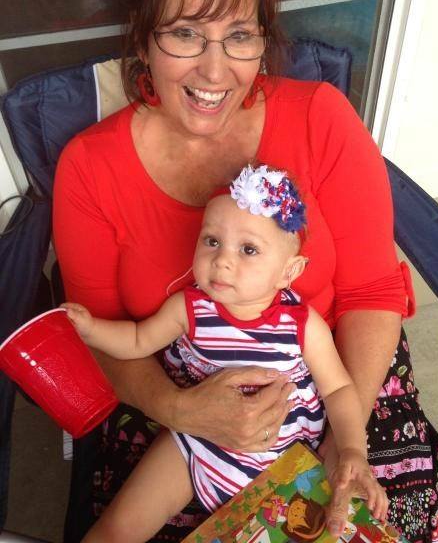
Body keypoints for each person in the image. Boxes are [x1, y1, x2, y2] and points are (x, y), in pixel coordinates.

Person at [52, 0, 438, 542]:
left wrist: (339, 438)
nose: (215, 71)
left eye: (240, 36)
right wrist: (183, 410)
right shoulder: (90, 168)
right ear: (142, 37)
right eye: (185, 33)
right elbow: (103, 334)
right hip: (172, 402)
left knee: (370, 520)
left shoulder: (320, 118)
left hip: (336, 376)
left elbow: (372, 291)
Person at [63, 165, 389, 543]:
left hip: (286, 449)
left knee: (312, 528)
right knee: (121, 525)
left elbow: (338, 389)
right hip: (199, 435)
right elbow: (137, 340)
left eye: (248, 249)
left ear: (289, 271)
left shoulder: (301, 326)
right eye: (212, 241)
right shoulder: (189, 309)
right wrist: (92, 330)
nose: (222, 260)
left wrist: (351, 448)